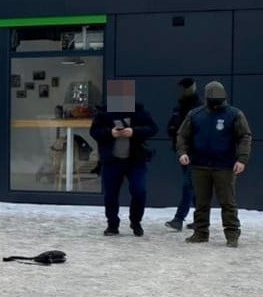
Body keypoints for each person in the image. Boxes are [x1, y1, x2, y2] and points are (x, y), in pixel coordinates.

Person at [175, 81, 252, 248]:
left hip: (225, 165)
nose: (217, 104)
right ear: (207, 98)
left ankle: (232, 234)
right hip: (199, 165)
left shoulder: (234, 114)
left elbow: (244, 136)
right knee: (201, 202)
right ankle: (201, 232)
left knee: (228, 202)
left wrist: (242, 159)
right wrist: (182, 152)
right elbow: (182, 135)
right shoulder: (195, 115)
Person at [90, 100, 158, 236]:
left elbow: (153, 128)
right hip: (112, 161)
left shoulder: (138, 110)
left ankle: (136, 221)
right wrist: (110, 133)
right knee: (110, 195)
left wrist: (134, 131)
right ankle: (112, 224)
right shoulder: (103, 112)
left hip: (135, 160)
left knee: (139, 190)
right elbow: (94, 131)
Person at [164, 78, 202, 231]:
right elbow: (171, 127)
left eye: (186, 88)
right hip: (182, 151)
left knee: (188, 185)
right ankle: (200, 219)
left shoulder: (197, 108)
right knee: (192, 187)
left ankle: (179, 218)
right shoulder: (180, 107)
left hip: (194, 152)